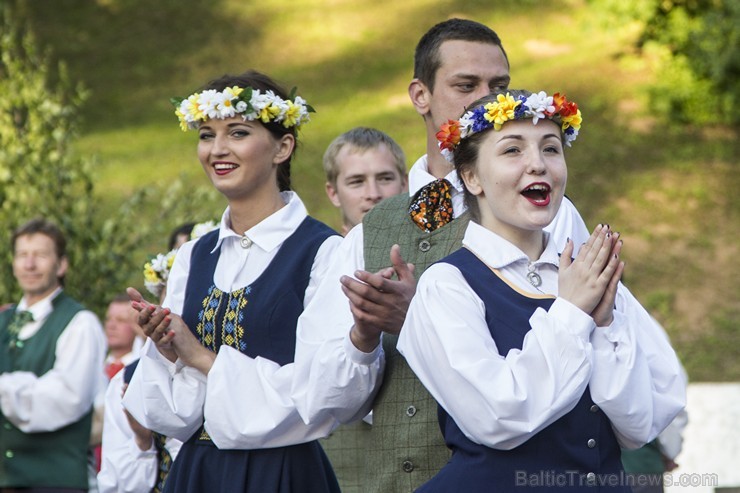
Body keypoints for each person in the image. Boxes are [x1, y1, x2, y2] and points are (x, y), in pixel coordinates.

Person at [290, 18, 592, 492]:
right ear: (420, 97)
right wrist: (362, 337)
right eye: (465, 85)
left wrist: (420, 316)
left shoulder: (550, 214)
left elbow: (579, 347)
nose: (486, 99)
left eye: (500, 86)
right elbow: (318, 401)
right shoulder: (369, 232)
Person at [396, 89, 687, 491]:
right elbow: (497, 417)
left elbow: (640, 423)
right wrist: (571, 314)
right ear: (472, 177)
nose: (538, 164)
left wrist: (603, 326)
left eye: (551, 149)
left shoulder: (588, 273)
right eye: (512, 150)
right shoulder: (446, 286)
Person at [121, 70, 344, 493]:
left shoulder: (324, 251)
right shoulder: (193, 256)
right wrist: (168, 351)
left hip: (282, 473)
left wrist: (201, 357)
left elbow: (322, 393)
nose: (217, 150)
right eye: (206, 135)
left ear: (283, 146)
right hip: (199, 473)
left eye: (237, 133)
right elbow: (172, 416)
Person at [0, 218, 107, 492]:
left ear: (61, 265)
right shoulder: (4, 320)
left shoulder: (80, 323)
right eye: (23, 255)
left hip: (56, 482)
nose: (30, 264)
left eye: (41, 255)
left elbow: (64, 398)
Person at [323, 127, 408, 235]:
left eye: (385, 179)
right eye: (357, 182)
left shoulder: (433, 249)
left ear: (404, 185)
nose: (373, 194)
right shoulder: (324, 251)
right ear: (334, 193)